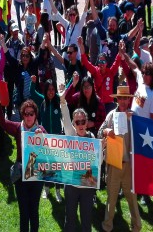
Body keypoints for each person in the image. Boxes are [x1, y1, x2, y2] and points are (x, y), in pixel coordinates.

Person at [0, 96, 47, 232]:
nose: (29, 116)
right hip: (21, 176)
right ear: (22, 115)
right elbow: (2, 122)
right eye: (26, 113)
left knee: (33, 211)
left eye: (31, 113)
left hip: (36, 176)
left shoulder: (41, 130)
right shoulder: (18, 128)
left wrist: (43, 140)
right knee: (24, 213)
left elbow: (51, 154)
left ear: (35, 114)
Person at [99, 86, 142, 232]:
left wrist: (133, 121)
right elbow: (100, 132)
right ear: (116, 99)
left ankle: (136, 226)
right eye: (121, 98)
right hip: (114, 163)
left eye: (125, 98)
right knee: (111, 197)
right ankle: (107, 226)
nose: (123, 101)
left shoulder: (134, 116)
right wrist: (106, 131)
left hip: (129, 164)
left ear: (129, 99)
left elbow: (141, 138)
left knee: (132, 198)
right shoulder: (111, 115)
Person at [59, 88, 97, 232]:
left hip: (87, 187)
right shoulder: (71, 135)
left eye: (83, 121)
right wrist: (63, 101)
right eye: (77, 122)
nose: (80, 125)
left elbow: (97, 166)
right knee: (70, 221)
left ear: (87, 123)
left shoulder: (93, 139)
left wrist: (102, 153)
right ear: (74, 124)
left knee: (86, 222)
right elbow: (66, 117)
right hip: (71, 187)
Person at [29, 75, 63, 202]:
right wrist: (33, 82)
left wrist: (73, 82)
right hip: (44, 139)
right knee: (46, 164)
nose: (51, 92)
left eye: (53, 90)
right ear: (46, 91)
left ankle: (58, 191)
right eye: (49, 90)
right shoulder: (42, 101)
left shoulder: (58, 101)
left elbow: (68, 94)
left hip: (56, 140)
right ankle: (47, 188)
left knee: (57, 165)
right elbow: (32, 92)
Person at [78, 36, 121, 113]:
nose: (101, 64)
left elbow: (117, 61)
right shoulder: (95, 71)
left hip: (109, 105)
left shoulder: (111, 72)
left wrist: (120, 50)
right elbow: (85, 61)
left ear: (107, 63)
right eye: (100, 62)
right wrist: (81, 46)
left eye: (103, 62)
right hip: (98, 103)